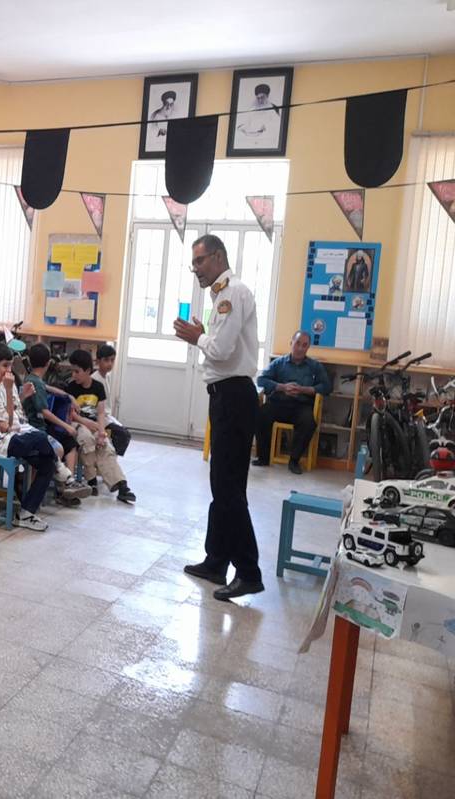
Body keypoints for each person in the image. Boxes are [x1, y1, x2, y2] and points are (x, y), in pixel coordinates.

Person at [174, 234, 263, 601]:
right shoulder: (222, 295)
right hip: (227, 396)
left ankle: (248, 571)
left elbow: (222, 351)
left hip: (234, 397)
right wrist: (201, 336)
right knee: (221, 486)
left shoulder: (231, 294)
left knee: (229, 489)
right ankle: (216, 560)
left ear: (218, 257)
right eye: (193, 263)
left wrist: (198, 337)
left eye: (200, 261)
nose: (195, 268)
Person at [0, 342, 56, 530]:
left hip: (13, 437)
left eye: (11, 365)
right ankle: (61, 468)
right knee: (40, 437)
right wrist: (9, 391)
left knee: (48, 464)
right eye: (5, 366)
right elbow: (7, 426)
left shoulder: (5, 386)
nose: (9, 371)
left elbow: (14, 419)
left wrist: (9, 395)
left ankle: (26, 513)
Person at [62, 349, 137, 504]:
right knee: (86, 439)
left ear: (87, 370)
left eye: (77, 371)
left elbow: (101, 412)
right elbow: (71, 414)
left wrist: (102, 432)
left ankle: (121, 485)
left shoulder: (98, 387)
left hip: (95, 424)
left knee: (105, 446)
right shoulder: (71, 387)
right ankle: (91, 480)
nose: (74, 375)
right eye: (72, 371)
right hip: (78, 423)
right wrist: (86, 422)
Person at [21, 343, 90, 504]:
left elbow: (47, 387)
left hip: (38, 428)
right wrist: (66, 426)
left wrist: (68, 396)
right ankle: (65, 484)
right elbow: (44, 412)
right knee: (58, 447)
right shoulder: (35, 382)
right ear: (48, 363)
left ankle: (67, 483)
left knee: (65, 444)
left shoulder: (32, 379)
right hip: (36, 429)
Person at [254, 330, 331, 474]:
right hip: (279, 404)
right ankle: (263, 457)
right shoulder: (279, 363)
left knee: (309, 423)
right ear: (291, 343)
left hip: (301, 405)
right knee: (260, 414)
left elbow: (327, 387)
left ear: (308, 347)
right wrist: (282, 387)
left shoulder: (314, 366)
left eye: (304, 345)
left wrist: (304, 389)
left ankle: (294, 461)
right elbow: (261, 380)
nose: (300, 348)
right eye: (297, 344)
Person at [92, 344, 131, 456]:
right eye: (106, 360)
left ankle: (112, 456)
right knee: (122, 434)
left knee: (125, 433)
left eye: (112, 360)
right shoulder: (95, 379)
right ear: (98, 361)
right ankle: (110, 457)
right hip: (98, 417)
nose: (110, 363)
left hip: (107, 416)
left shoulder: (106, 376)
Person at [235, 82, 280, 148]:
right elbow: (246, 122)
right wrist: (242, 128)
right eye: (258, 98)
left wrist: (266, 126)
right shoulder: (252, 109)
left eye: (262, 97)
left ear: (267, 96)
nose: (260, 100)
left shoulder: (274, 108)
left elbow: (278, 125)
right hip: (252, 137)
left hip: (267, 139)